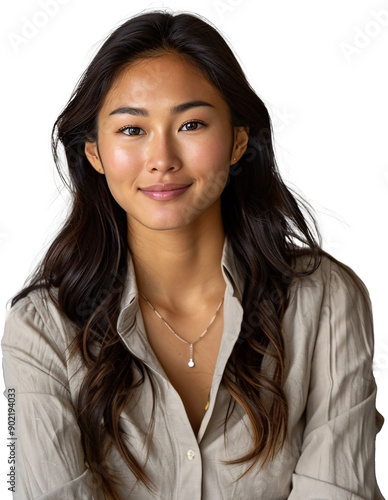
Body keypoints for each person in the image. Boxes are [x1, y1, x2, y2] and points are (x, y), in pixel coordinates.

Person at [1, 10, 384, 500]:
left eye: (192, 124)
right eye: (132, 130)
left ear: (238, 141)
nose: (162, 159)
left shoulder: (326, 301)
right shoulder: (39, 330)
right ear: (95, 152)